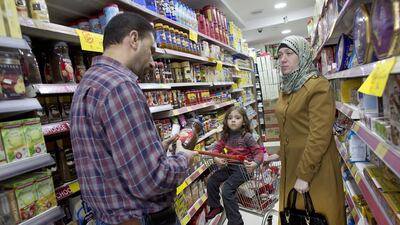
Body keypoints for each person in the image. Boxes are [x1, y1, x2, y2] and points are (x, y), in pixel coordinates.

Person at [70, 13, 197, 225]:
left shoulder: (87, 83)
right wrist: (185, 158)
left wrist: (155, 149)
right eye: (151, 50)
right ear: (134, 39)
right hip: (141, 219)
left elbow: (108, 156)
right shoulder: (121, 86)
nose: (154, 62)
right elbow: (152, 179)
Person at [275, 35, 345, 224]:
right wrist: (277, 154)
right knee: (294, 216)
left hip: (314, 167)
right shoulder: (288, 87)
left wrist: (305, 175)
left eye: (289, 53)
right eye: (280, 55)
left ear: (303, 55)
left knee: (317, 216)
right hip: (291, 166)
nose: (283, 59)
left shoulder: (318, 85)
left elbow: (319, 135)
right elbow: (289, 127)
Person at [205, 106, 264, 225]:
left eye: (237, 118)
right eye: (230, 118)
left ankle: (235, 222)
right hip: (230, 167)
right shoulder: (225, 136)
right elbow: (216, 148)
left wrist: (254, 164)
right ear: (226, 121)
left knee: (227, 190)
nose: (233, 120)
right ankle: (215, 206)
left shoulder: (246, 136)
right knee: (211, 181)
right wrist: (216, 157)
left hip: (244, 169)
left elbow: (258, 152)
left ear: (243, 122)